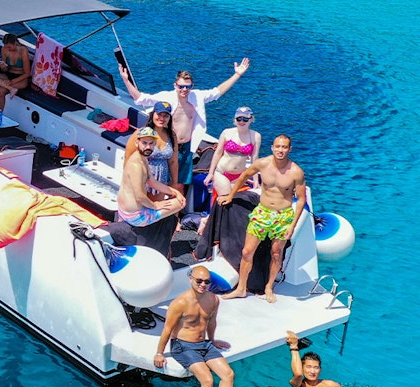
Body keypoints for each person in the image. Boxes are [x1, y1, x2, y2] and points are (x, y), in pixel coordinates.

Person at [119, 58, 250, 200]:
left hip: (187, 148)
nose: (184, 90)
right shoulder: (166, 97)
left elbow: (217, 92)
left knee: (180, 186)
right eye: (181, 86)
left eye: (188, 86)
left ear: (192, 86)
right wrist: (126, 80)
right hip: (168, 146)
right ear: (175, 85)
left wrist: (237, 75)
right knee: (157, 182)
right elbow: (140, 99)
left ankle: (175, 218)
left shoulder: (197, 97)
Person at [152, 266, 243, 387]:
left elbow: (211, 322)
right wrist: (159, 353)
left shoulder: (214, 300)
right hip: (183, 346)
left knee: (228, 374)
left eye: (207, 282)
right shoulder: (180, 303)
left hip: (204, 344)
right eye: (199, 281)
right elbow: (167, 329)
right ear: (191, 279)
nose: (203, 284)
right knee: (207, 379)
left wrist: (213, 340)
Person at [219, 135, 304, 303]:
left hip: (282, 216)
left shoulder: (296, 172)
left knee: (276, 253)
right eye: (278, 146)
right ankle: (241, 288)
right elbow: (243, 176)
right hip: (262, 213)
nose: (281, 150)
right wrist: (231, 195)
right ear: (272, 147)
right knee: (247, 252)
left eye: (284, 147)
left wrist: (292, 226)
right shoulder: (263, 164)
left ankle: (269, 287)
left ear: (290, 149)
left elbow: (301, 199)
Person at [116, 127, 186, 227]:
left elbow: (152, 182)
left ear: (155, 145)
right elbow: (139, 197)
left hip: (125, 211)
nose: (148, 147)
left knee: (177, 198)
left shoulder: (142, 159)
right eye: (144, 143)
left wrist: (175, 192)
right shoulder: (136, 166)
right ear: (137, 143)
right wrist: (155, 205)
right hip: (135, 217)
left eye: (151, 143)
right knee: (179, 203)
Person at [124, 100, 179, 200]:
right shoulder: (140, 133)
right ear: (153, 114)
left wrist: (174, 183)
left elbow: (173, 162)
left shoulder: (172, 136)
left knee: (155, 210)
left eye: (166, 116)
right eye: (159, 114)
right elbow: (128, 157)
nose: (162, 118)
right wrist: (127, 181)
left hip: (161, 180)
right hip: (142, 177)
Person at [205, 106, 261, 200]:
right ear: (235, 120)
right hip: (222, 172)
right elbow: (218, 153)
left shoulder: (256, 136)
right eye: (239, 119)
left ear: (251, 119)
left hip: (240, 175)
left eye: (245, 119)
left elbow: (254, 159)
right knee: (226, 198)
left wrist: (256, 180)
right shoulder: (227, 133)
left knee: (236, 203)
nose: (242, 122)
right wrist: (210, 173)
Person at [0, 33, 31, 125]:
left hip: (21, 78)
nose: (7, 49)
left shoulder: (23, 51)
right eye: (6, 47)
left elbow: (27, 73)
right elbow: (5, 70)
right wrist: (3, 67)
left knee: (1, 91)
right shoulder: (4, 50)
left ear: (15, 43)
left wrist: (12, 82)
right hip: (8, 75)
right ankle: (11, 89)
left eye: (9, 47)